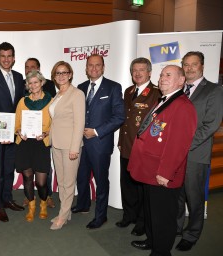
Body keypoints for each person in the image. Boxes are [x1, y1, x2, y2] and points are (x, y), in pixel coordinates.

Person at [129, 65, 197, 256]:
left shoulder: (183, 106)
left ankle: (161, 251)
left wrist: (165, 173)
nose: (162, 78)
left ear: (181, 80)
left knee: (163, 217)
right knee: (151, 212)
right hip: (149, 169)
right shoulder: (165, 100)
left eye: (169, 75)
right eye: (161, 75)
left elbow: (179, 145)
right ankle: (152, 241)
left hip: (162, 174)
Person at [176, 51, 223, 251]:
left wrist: (182, 145)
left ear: (202, 66)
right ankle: (176, 228)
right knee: (176, 195)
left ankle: (192, 234)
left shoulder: (214, 90)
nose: (189, 68)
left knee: (194, 197)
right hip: (174, 155)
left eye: (193, 64)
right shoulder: (179, 89)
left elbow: (210, 125)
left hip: (195, 154)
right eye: (186, 65)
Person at [72, 54, 125, 229]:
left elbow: (119, 117)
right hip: (81, 143)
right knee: (82, 176)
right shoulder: (81, 87)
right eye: (90, 65)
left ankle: (101, 216)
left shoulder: (113, 88)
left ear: (103, 67)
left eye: (97, 65)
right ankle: (83, 205)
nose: (94, 69)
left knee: (101, 181)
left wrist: (96, 131)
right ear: (86, 68)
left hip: (100, 143)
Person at [116, 57, 161, 235]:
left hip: (143, 150)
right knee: (127, 184)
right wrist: (120, 141)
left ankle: (142, 222)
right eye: (135, 70)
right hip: (126, 146)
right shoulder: (128, 91)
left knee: (142, 188)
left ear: (149, 72)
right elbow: (125, 120)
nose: (137, 73)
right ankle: (129, 216)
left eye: (142, 70)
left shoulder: (156, 93)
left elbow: (157, 124)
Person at [0, 42, 26, 222]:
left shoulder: (18, 76)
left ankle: (7, 199)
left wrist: (18, 128)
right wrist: (5, 131)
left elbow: (19, 105)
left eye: (9, 56)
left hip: (15, 132)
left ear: (14, 58)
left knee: (9, 169)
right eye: (3, 56)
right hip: (0, 132)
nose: (6, 59)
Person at [49, 61, 85, 230]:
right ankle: (66, 211)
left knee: (69, 182)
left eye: (64, 72)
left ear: (70, 74)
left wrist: (74, 147)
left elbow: (79, 123)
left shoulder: (77, 94)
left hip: (70, 145)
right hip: (56, 143)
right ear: (54, 77)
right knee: (62, 181)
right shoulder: (57, 95)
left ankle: (62, 216)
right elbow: (55, 120)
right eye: (58, 73)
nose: (61, 76)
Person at [15, 70, 53, 222]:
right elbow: (16, 124)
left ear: (42, 83)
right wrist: (18, 131)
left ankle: (43, 204)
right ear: (27, 86)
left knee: (41, 181)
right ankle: (31, 206)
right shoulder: (22, 102)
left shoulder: (51, 101)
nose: (33, 85)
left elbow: (56, 124)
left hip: (41, 143)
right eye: (30, 83)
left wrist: (46, 133)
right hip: (24, 143)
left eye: (36, 82)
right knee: (27, 176)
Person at [23, 57, 56, 209]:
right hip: (26, 140)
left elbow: (54, 118)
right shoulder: (23, 96)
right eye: (27, 67)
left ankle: (46, 196)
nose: (30, 69)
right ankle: (30, 199)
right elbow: (19, 118)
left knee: (43, 174)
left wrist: (46, 132)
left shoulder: (50, 93)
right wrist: (19, 131)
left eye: (33, 67)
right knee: (28, 173)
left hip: (42, 139)